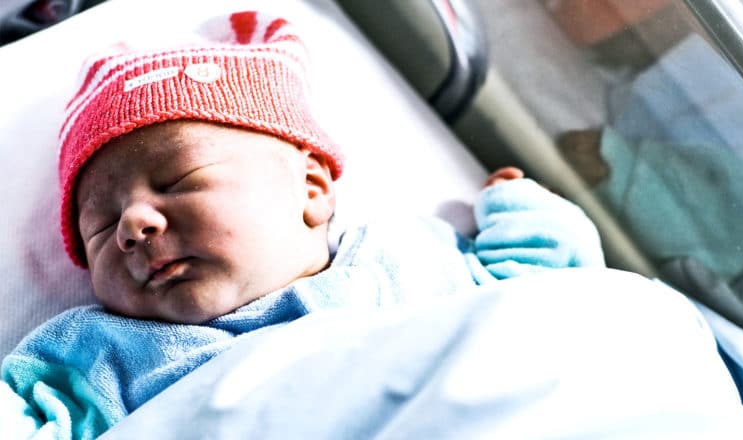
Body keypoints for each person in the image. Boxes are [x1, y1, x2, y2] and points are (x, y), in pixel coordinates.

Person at [0, 10, 604, 439]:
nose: (132, 223)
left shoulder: (406, 259)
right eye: (99, 227)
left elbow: (551, 293)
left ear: (312, 190)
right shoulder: (105, 355)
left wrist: (520, 206)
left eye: (179, 180)